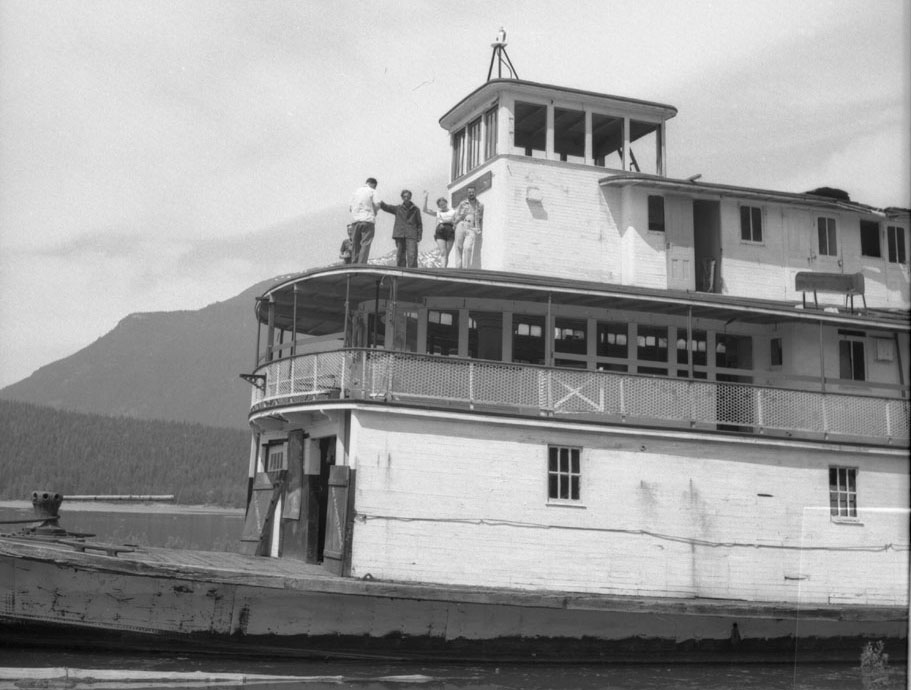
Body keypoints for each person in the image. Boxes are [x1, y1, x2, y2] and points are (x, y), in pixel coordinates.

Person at [379, 189, 423, 267]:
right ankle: (400, 273)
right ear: (402, 198)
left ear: (410, 197)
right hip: (400, 234)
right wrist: (379, 201)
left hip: (412, 235)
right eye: (404, 196)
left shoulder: (416, 209)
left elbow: (419, 224)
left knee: (412, 255)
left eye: (408, 196)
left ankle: (412, 274)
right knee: (400, 255)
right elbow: (386, 207)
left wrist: (419, 236)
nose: (406, 198)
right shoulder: (398, 208)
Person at [421, 192, 457, 267]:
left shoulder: (453, 211)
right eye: (440, 205)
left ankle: (444, 268)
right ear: (439, 206)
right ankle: (443, 269)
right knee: (443, 252)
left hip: (450, 231)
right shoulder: (438, 212)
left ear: (446, 203)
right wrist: (426, 198)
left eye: (443, 204)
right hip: (440, 231)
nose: (442, 206)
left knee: (447, 252)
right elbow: (425, 210)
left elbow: (457, 220)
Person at [349, 177, 380, 263]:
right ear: (374, 185)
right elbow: (377, 205)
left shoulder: (355, 192)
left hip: (355, 221)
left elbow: (350, 208)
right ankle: (361, 264)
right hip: (367, 220)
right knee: (365, 243)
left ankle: (354, 264)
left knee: (355, 244)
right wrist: (374, 212)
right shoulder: (372, 191)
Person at [453, 185, 484, 268]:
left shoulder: (480, 205)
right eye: (469, 192)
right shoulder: (462, 204)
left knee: (467, 247)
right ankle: (458, 267)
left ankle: (466, 268)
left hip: (471, 228)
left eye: (473, 192)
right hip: (461, 224)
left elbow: (479, 219)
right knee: (459, 246)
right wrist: (455, 224)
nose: (471, 194)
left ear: (476, 193)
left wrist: (476, 229)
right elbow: (457, 216)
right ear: (467, 193)